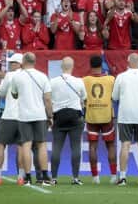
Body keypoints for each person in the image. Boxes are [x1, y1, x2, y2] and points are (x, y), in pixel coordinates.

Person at [5, 53, 53, 186]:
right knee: (42, 144)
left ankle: (27, 177)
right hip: (39, 115)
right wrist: (50, 116)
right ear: (34, 61)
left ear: (23, 62)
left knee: (26, 145)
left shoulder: (17, 77)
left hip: (24, 115)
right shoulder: (43, 76)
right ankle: (44, 176)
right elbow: (48, 99)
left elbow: (14, 95)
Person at [49, 56, 88, 185]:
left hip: (58, 116)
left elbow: (48, 98)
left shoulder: (53, 81)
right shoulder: (79, 81)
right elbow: (84, 99)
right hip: (74, 116)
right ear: (72, 66)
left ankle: (54, 178)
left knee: (56, 147)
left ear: (61, 66)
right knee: (76, 147)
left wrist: (50, 116)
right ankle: (75, 178)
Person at [112, 54, 138, 186]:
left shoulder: (121, 77)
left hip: (125, 114)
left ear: (127, 62)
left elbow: (114, 96)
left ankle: (122, 177)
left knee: (125, 145)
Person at [0, 58, 24, 186]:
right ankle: (21, 178)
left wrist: (4, 80)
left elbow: (1, 93)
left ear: (19, 64)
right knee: (22, 147)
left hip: (10, 115)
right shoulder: (29, 75)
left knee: (0, 145)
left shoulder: (10, 75)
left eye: (13, 62)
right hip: (24, 116)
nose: (10, 64)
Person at [82, 56, 118, 184]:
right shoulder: (111, 79)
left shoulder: (85, 80)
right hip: (107, 115)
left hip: (92, 116)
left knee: (93, 147)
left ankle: (95, 177)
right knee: (110, 146)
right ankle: (113, 176)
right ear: (102, 65)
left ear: (90, 65)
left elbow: (82, 98)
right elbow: (115, 96)